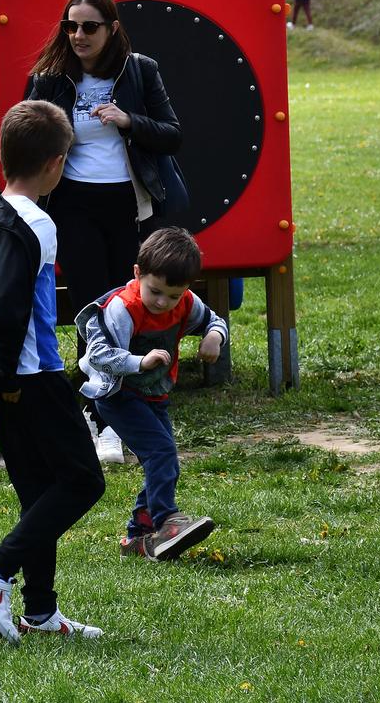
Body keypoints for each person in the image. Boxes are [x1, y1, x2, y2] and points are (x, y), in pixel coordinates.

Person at [0, 100, 106, 643]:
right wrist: (4, 378)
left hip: (5, 378)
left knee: (39, 492)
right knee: (84, 482)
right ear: (55, 164)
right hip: (32, 376)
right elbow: (9, 306)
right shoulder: (37, 222)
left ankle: (40, 613)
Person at [24, 0, 181, 465]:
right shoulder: (50, 78)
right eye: (70, 26)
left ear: (112, 29)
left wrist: (128, 120)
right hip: (72, 204)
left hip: (127, 205)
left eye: (89, 26)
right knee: (94, 310)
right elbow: (23, 132)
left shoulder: (140, 70)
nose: (78, 35)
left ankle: (133, 410)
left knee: (129, 305)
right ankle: (99, 418)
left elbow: (173, 134)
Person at [76, 227, 228, 559]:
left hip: (155, 394)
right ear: (137, 274)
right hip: (117, 394)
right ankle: (167, 521)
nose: (163, 303)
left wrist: (214, 336)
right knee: (161, 453)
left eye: (173, 296)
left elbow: (213, 320)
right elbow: (97, 354)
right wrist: (138, 361)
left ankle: (138, 538)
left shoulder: (186, 302)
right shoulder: (122, 309)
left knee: (161, 459)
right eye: (155, 291)